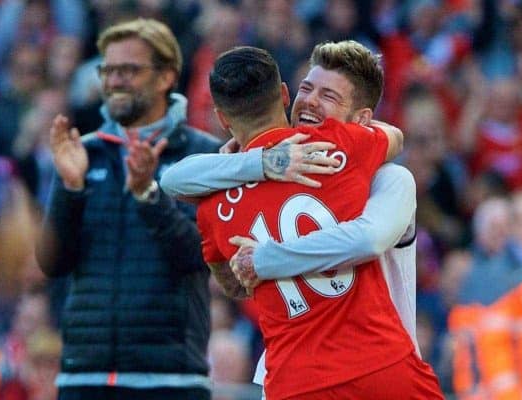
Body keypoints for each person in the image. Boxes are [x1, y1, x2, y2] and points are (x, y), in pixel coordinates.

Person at [161, 40, 435, 394]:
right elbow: (393, 136)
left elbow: (232, 281)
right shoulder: (344, 148)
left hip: (316, 375)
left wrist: (264, 257)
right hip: (368, 366)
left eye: (329, 96)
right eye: (307, 88)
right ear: (286, 94)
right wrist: (252, 163)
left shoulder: (390, 177)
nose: (311, 101)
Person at [36, 18, 220, 400]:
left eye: (129, 70)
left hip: (171, 379)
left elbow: (200, 255)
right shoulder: (81, 153)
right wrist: (72, 188)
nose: (115, 80)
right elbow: (52, 263)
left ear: (166, 76)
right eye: (108, 70)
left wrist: (147, 195)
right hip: (84, 375)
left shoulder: (202, 154)